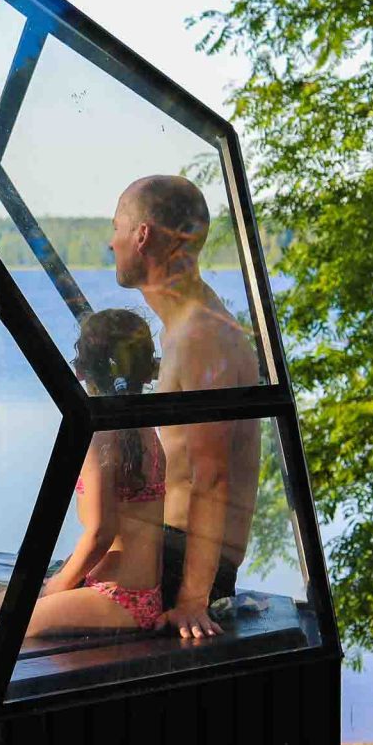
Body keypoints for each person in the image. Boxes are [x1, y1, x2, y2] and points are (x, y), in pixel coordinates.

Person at [109, 175, 263, 639]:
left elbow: (210, 475)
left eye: (116, 227)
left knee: (12, 621)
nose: (109, 242)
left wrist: (194, 601)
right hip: (165, 549)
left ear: (142, 236)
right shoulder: (186, 327)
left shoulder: (200, 336)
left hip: (184, 564)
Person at [0, 310, 167, 642]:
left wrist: (59, 585)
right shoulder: (144, 429)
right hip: (137, 593)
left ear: (85, 370)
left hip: (117, 597)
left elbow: (101, 532)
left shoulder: (102, 435)